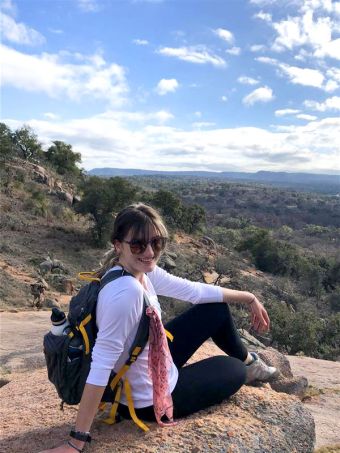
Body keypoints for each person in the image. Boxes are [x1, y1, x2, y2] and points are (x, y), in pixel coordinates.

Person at [42, 203, 277, 453]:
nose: (149, 251)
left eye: (156, 242)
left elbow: (194, 291)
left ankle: (250, 361)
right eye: (138, 245)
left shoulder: (137, 270)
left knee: (215, 309)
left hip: (154, 360)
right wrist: (76, 441)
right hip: (147, 397)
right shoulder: (126, 293)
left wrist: (249, 297)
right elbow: (100, 366)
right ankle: (246, 366)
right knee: (233, 370)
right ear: (118, 244)